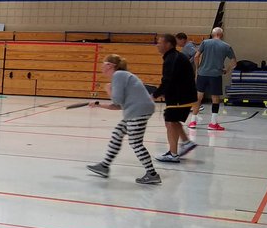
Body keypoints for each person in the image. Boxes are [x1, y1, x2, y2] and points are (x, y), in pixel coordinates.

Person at [86, 55, 160, 185]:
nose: (102, 66)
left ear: (111, 65)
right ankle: (104, 166)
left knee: (135, 143)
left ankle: (152, 174)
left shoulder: (119, 75)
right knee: (117, 134)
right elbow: (118, 106)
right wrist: (98, 104)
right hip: (137, 110)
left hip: (138, 111)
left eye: (104, 63)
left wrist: (109, 90)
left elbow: (117, 101)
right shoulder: (122, 76)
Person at [152, 33, 198, 164]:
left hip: (180, 96)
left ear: (168, 44)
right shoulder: (173, 57)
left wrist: (155, 95)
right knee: (171, 120)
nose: (157, 45)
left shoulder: (172, 58)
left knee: (171, 122)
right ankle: (186, 142)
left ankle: (173, 154)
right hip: (182, 95)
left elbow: (168, 80)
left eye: (160, 42)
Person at [189, 27, 236, 131]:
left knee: (198, 97)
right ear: (221, 35)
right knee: (215, 98)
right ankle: (213, 123)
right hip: (216, 75)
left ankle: (193, 121)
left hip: (202, 74)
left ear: (212, 34)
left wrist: (198, 69)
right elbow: (234, 62)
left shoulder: (205, 43)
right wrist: (226, 70)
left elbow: (196, 56)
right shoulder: (226, 46)